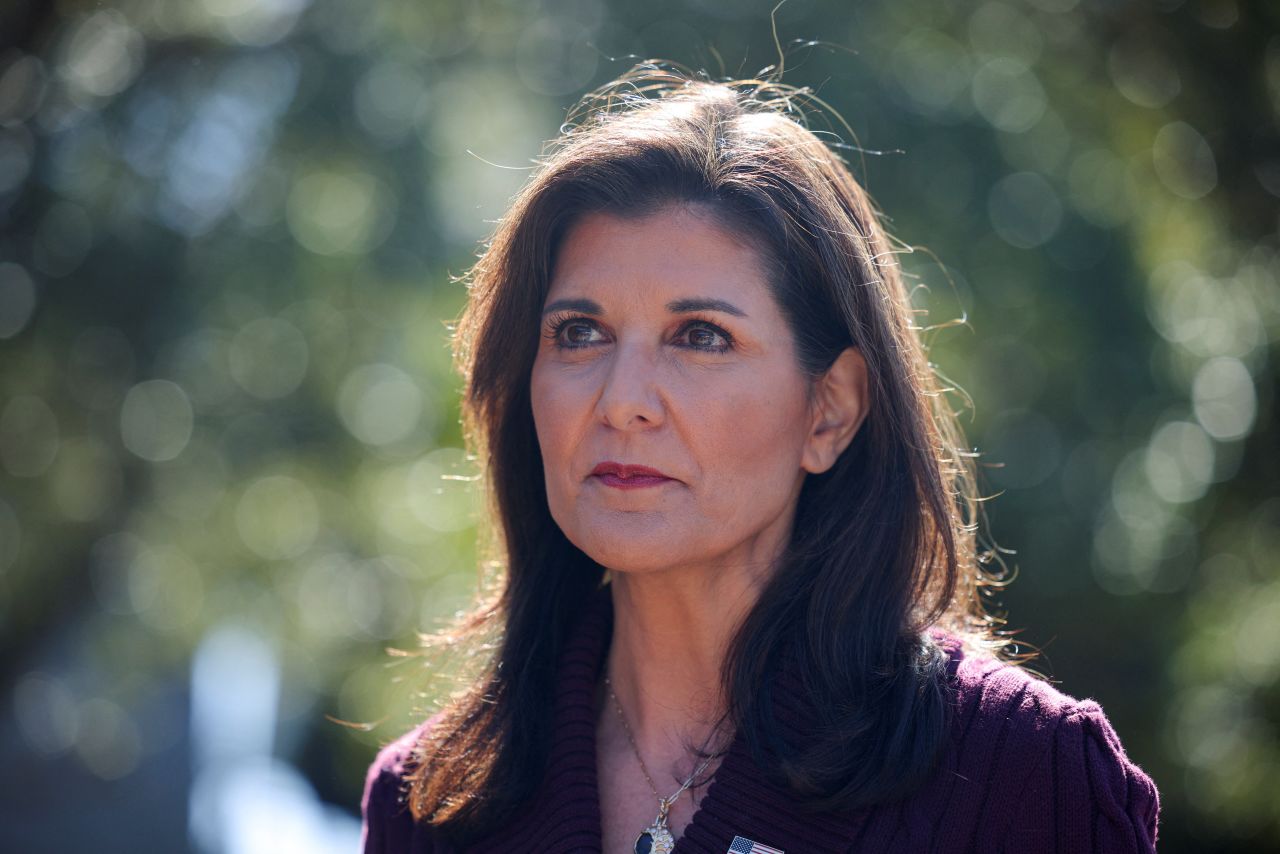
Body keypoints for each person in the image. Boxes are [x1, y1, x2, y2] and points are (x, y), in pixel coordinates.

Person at [361, 64, 1160, 853]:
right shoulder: (429, 806)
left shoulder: (1020, 778)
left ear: (830, 410)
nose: (621, 399)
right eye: (580, 332)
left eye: (700, 336)